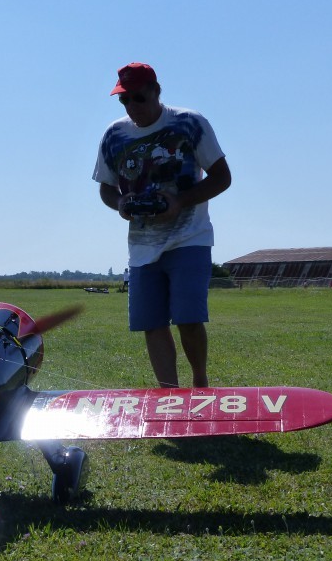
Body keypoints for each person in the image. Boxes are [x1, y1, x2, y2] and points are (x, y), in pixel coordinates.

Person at [93, 62, 231, 388]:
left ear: (156, 90)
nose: (132, 107)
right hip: (142, 248)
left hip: (189, 237)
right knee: (152, 324)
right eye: (124, 101)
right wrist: (121, 205)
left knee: (188, 318)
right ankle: (169, 395)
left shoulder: (189, 124)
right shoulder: (114, 135)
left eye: (138, 98)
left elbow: (222, 177)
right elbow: (106, 189)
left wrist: (180, 202)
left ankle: (200, 384)